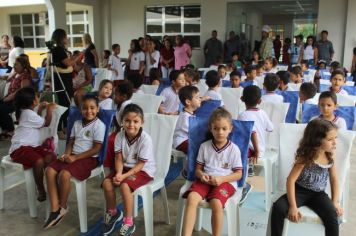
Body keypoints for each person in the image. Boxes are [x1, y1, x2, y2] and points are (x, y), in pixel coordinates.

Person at [271, 118, 342, 236]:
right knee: (279, 207)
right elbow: (290, 180)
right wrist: (293, 206)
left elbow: (334, 179)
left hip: (318, 194)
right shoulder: (305, 157)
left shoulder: (330, 157)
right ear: (317, 140)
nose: (335, 142)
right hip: (300, 191)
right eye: (330, 139)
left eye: (336, 138)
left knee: (332, 215)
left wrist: (335, 202)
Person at [44, 94, 105, 229]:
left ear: (98, 109)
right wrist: (66, 154)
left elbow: (96, 149)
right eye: (85, 108)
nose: (89, 111)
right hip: (73, 155)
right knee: (49, 170)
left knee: (64, 174)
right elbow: (70, 141)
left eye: (92, 108)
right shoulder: (77, 123)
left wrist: (75, 158)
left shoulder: (99, 125)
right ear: (80, 109)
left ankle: (63, 207)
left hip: (89, 159)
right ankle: (55, 209)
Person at [182, 107, 243, 236]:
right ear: (211, 128)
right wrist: (202, 175)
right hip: (206, 180)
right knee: (192, 198)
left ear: (230, 129)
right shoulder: (204, 146)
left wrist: (221, 179)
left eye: (224, 128)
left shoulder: (234, 149)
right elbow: (198, 170)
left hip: (225, 182)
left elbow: (239, 174)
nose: (220, 132)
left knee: (216, 203)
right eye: (216, 128)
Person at [101, 104, 155, 236]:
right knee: (106, 183)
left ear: (142, 122)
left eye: (135, 121)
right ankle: (114, 213)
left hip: (144, 170)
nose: (131, 124)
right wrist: (119, 173)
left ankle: (129, 222)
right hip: (125, 168)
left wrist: (124, 177)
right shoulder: (119, 136)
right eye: (127, 121)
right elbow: (118, 158)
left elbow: (141, 165)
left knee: (125, 186)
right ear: (122, 122)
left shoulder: (145, 139)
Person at [9, 87, 56, 201]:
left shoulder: (26, 112)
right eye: (37, 96)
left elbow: (36, 121)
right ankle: (41, 189)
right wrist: (49, 109)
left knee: (51, 156)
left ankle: (49, 183)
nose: (38, 98)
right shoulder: (28, 114)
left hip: (31, 147)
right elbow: (46, 123)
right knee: (38, 161)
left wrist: (39, 109)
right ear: (32, 101)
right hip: (19, 148)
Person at [238, 85, 273, 203]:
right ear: (260, 101)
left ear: (242, 99)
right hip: (261, 149)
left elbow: (251, 133)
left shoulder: (243, 115)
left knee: (235, 150)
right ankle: (249, 168)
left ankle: (243, 185)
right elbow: (270, 128)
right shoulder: (262, 113)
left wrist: (256, 151)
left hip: (253, 151)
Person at [50, 28, 78, 136]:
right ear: (61, 38)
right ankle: (58, 129)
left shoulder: (62, 49)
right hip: (61, 78)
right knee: (63, 103)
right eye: (66, 36)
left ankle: (66, 126)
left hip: (66, 78)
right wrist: (77, 58)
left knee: (67, 103)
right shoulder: (58, 50)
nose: (67, 38)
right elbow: (68, 63)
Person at [0, 57, 32, 140]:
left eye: (16, 64)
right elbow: (8, 80)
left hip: (18, 100)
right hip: (10, 98)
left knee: (2, 109)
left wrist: (9, 98)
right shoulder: (18, 74)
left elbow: (22, 91)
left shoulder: (25, 76)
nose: (14, 66)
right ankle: (5, 129)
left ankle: (10, 130)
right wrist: (14, 73)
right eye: (14, 64)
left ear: (23, 65)